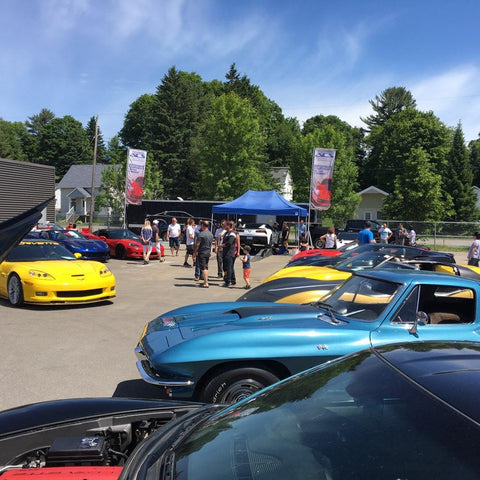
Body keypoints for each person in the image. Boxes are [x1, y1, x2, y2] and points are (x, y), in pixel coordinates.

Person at [192, 220, 214, 288]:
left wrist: (194, 253)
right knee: (205, 267)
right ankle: (205, 280)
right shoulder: (210, 234)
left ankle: (206, 282)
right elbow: (210, 244)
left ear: (203, 226)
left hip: (202, 252)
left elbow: (197, 244)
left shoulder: (201, 234)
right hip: (207, 252)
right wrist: (210, 251)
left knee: (203, 268)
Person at [219, 220, 238, 287]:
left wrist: (222, 245)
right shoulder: (227, 233)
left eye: (226, 225)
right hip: (225, 252)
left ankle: (228, 281)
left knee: (229, 267)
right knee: (230, 267)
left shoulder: (232, 234)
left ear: (229, 226)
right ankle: (233, 280)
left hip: (229, 253)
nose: (224, 226)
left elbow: (229, 243)